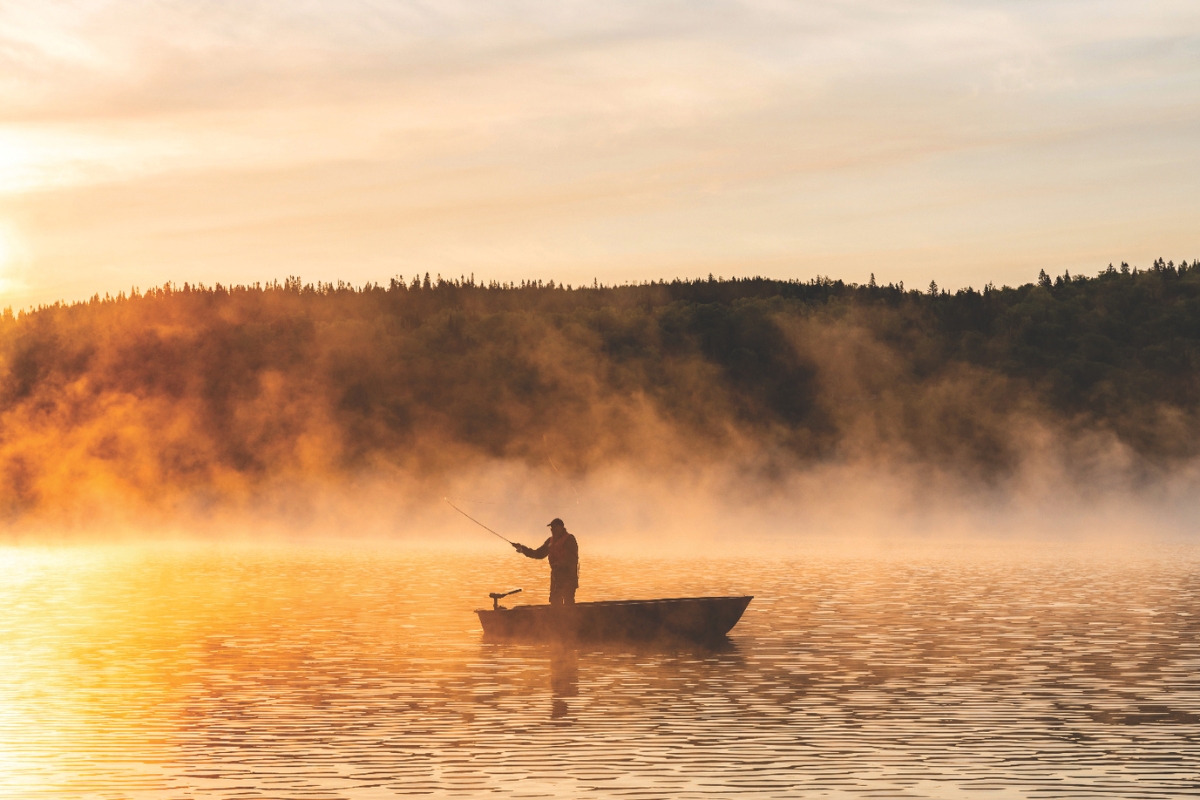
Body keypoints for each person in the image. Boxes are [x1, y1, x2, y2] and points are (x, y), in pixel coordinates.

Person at [513, 518, 579, 604]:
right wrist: (523, 549)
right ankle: (556, 616)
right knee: (555, 600)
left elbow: (572, 559)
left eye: (553, 527)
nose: (551, 530)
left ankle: (571, 617)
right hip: (556, 577)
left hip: (568, 577)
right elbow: (538, 554)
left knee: (568, 601)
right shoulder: (550, 541)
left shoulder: (570, 539)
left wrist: (560, 565)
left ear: (560, 528)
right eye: (551, 528)